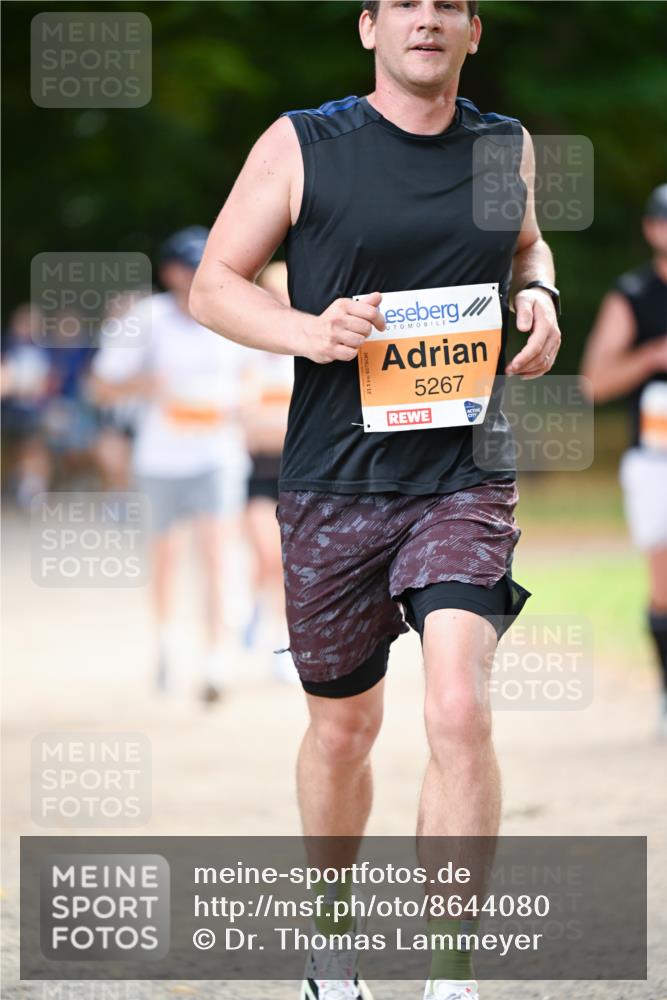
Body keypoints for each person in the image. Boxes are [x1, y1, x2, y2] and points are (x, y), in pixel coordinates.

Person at [189, 2, 562, 997]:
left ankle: (449, 972)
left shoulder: (503, 146)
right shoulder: (304, 143)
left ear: (473, 32)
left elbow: (528, 247)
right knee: (345, 731)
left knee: (454, 708)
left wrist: (541, 295)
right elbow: (214, 285)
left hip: (461, 475)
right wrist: (309, 331)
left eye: (450, 6)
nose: (428, 21)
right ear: (369, 27)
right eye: (407, 4)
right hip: (332, 481)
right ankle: (329, 940)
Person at [91, 227, 251, 703]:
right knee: (165, 556)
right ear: (171, 273)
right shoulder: (146, 319)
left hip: (218, 453)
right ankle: (165, 641)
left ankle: (216, 660)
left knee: (217, 554)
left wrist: (240, 404)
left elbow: (250, 379)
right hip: (160, 457)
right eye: (189, 266)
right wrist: (144, 384)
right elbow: (101, 387)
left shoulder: (235, 315)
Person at [581, 183, 667, 737]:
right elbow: (593, 381)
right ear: (652, 229)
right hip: (657, 458)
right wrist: (652, 356)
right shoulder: (632, 294)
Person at [239, 262, 297, 682]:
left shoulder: (306, 357)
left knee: (288, 563)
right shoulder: (247, 358)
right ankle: (277, 637)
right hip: (257, 476)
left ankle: (265, 615)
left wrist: (269, 423)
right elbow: (247, 428)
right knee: (268, 555)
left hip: (297, 474)